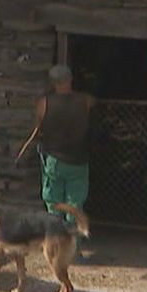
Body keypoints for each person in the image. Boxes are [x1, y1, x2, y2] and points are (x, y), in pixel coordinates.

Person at [16, 64, 95, 236]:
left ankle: (55, 241)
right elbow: (92, 104)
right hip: (78, 161)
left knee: (53, 203)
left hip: (54, 160)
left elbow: (38, 127)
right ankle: (73, 247)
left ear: (52, 83)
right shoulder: (85, 101)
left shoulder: (44, 103)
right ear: (71, 79)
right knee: (75, 205)